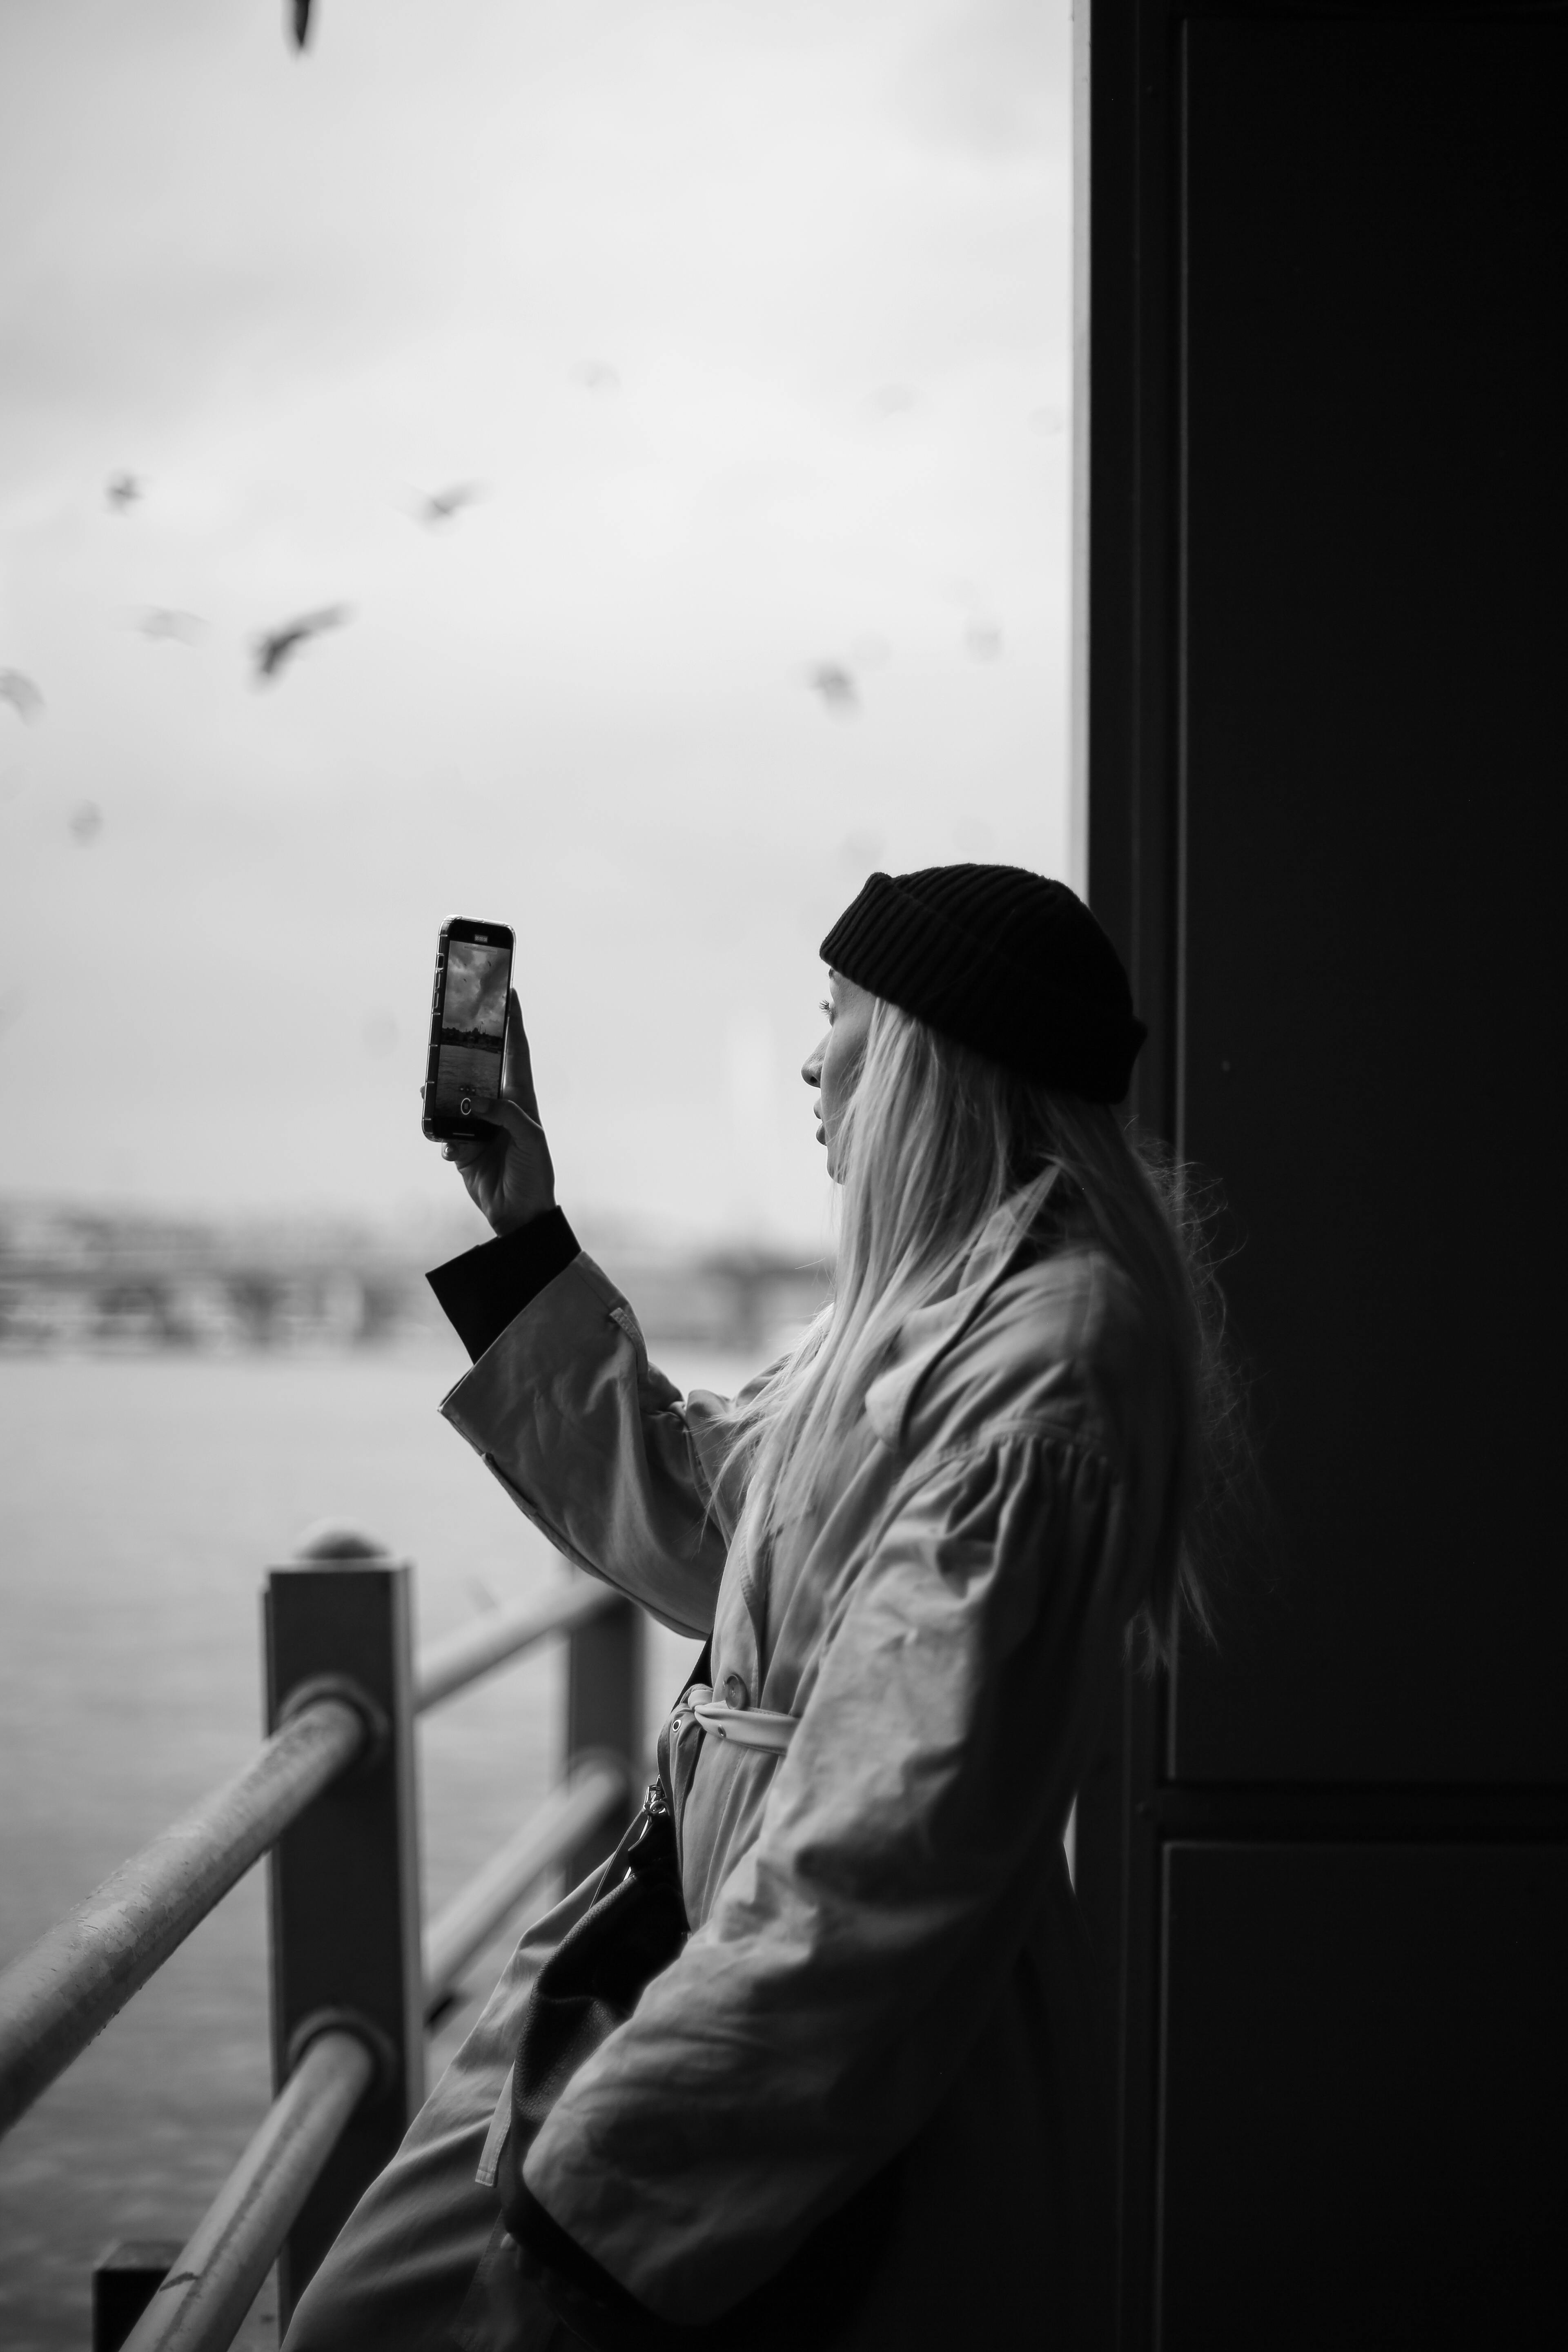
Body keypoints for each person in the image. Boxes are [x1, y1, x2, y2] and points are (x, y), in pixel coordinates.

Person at [283, 861, 1228, 2351]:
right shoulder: (928, 1319)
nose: (809, 1054)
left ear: (925, 1055)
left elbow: (872, 1862)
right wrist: (525, 1225)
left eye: (836, 1012)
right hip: (698, 1940)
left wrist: (601, 2222)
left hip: (815, 2034)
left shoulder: (1044, 1361)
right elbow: (712, 1516)